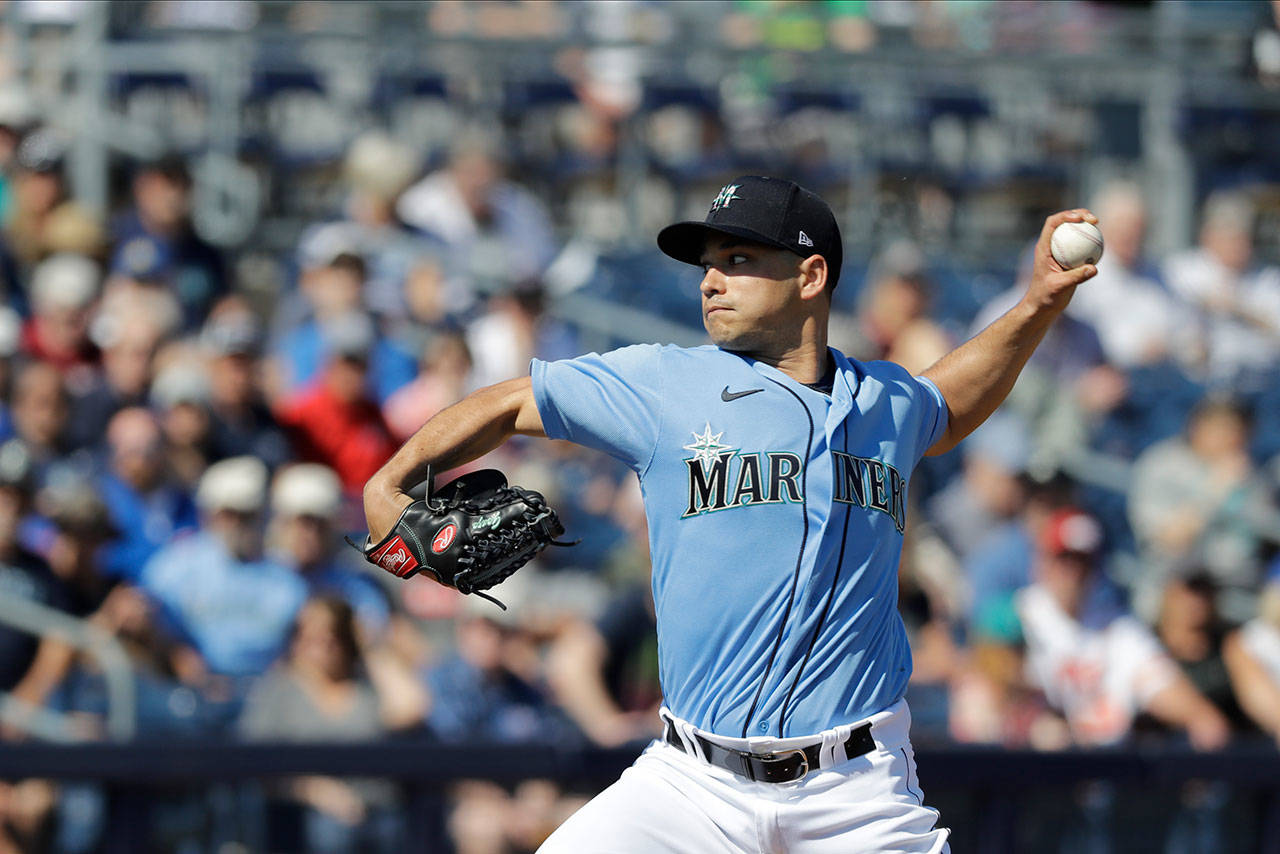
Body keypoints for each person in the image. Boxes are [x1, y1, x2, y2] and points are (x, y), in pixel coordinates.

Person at [363, 175, 1105, 852]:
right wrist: (391, 481)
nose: (711, 282)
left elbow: (948, 402)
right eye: (707, 264)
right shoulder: (664, 384)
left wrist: (1040, 300)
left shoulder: (887, 402)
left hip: (858, 792)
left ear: (811, 275)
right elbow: (511, 402)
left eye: (740, 260)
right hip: (692, 785)